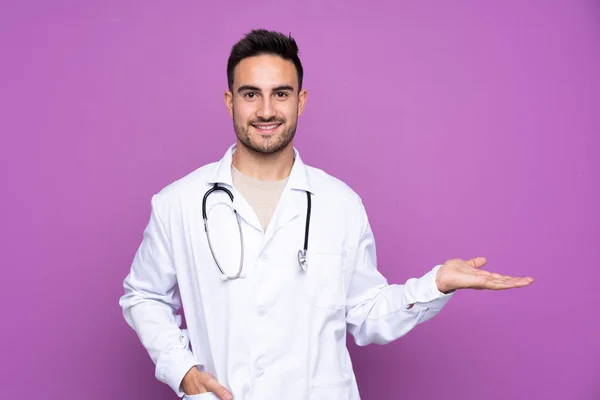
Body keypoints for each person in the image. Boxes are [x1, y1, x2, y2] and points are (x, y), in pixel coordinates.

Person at [118, 29, 534, 400]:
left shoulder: (341, 204)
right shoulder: (178, 203)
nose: (266, 110)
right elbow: (143, 295)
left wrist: (435, 285)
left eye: (280, 93)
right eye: (250, 94)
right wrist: (183, 371)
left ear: (301, 100)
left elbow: (367, 314)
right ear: (230, 101)